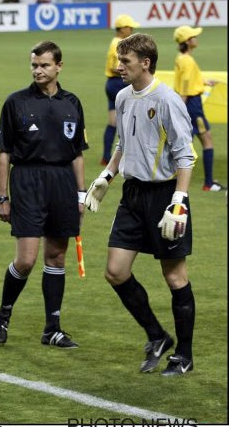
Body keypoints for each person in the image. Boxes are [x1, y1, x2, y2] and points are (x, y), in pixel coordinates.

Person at [84, 33, 197, 376]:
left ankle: (185, 356)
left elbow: (185, 154)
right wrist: (107, 175)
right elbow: (123, 140)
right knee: (115, 271)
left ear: (145, 63)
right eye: (119, 60)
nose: (119, 67)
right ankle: (157, 336)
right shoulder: (122, 97)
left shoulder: (167, 99)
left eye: (126, 62)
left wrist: (179, 200)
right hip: (132, 195)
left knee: (174, 276)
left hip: (164, 195)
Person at [0, 41, 88, 349]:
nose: (38, 70)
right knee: (27, 259)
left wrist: (81, 193)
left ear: (59, 66)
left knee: (56, 256)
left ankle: (52, 328)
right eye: (34, 64)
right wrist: (2, 197)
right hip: (28, 181)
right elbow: (4, 153)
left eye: (44, 65)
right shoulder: (15, 102)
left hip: (62, 182)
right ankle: (3, 315)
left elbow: (77, 154)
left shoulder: (72, 102)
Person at [173, 25, 224, 192]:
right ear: (188, 41)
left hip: (188, 104)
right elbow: (186, 86)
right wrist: (180, 110)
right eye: (194, 36)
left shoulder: (182, 58)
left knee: (184, 143)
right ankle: (208, 183)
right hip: (192, 106)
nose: (196, 38)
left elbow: (187, 79)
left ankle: (170, 179)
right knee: (207, 140)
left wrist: (204, 81)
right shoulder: (187, 60)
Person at [102, 14, 140, 165]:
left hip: (111, 84)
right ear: (123, 29)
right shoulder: (119, 44)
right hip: (119, 84)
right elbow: (114, 67)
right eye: (130, 28)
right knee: (132, 120)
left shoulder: (115, 42)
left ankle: (106, 156)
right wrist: (132, 70)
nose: (131, 30)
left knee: (113, 122)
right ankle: (131, 155)